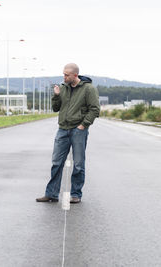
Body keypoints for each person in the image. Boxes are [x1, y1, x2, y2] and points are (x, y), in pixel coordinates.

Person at [36, 63, 100, 204]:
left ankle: (76, 194)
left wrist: (83, 125)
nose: (64, 77)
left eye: (66, 75)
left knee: (78, 164)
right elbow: (55, 108)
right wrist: (56, 96)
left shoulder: (88, 89)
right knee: (56, 163)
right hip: (62, 129)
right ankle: (51, 194)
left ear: (75, 75)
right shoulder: (63, 88)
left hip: (78, 130)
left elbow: (95, 109)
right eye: (63, 74)